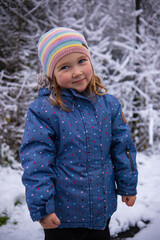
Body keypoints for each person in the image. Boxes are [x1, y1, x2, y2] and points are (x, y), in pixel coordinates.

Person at [19, 27, 138, 240]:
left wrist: (128, 184)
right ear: (51, 74)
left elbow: (122, 148)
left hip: (102, 211)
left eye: (82, 61)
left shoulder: (108, 105)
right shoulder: (44, 111)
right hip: (62, 217)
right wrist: (43, 206)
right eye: (65, 66)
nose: (77, 72)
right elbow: (37, 162)